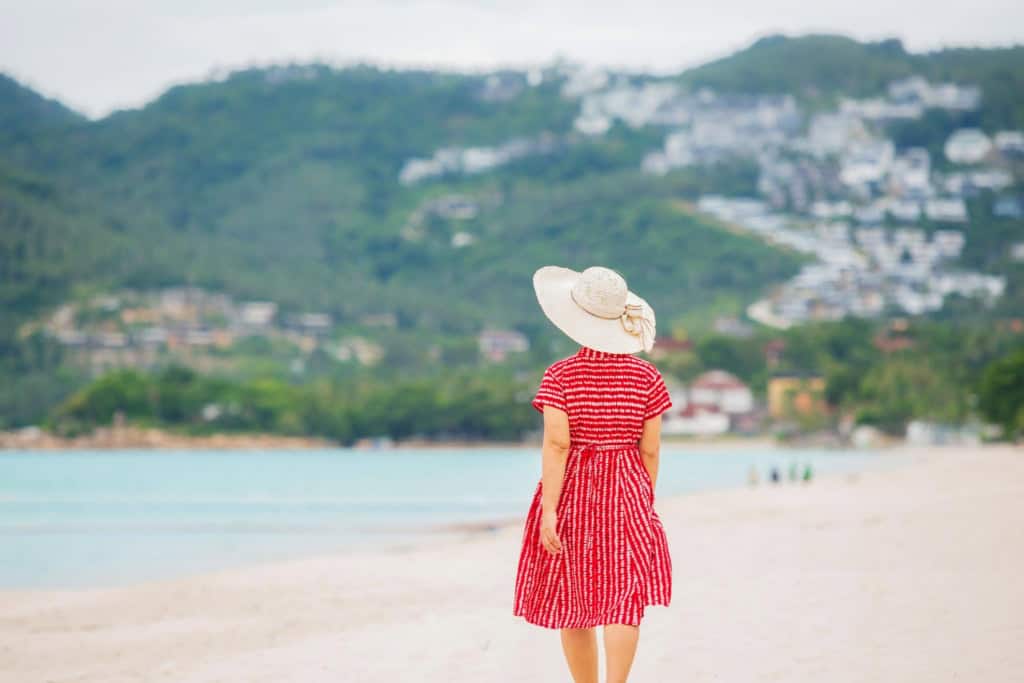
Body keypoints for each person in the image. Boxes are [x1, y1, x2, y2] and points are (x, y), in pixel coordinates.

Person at [513, 265, 673, 683]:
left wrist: (550, 510)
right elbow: (651, 449)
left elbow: (557, 445)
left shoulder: (560, 376)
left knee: (575, 597)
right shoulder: (647, 377)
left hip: (573, 490)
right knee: (624, 596)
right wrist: (644, 496)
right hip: (628, 486)